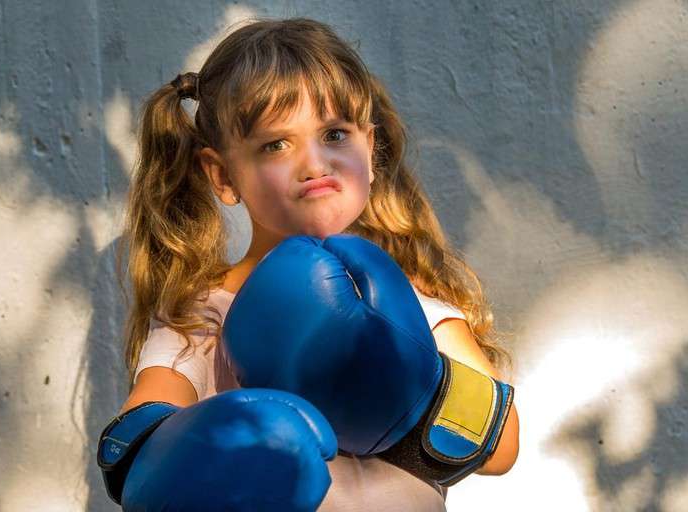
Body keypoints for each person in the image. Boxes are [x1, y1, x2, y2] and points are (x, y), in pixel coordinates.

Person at [107, 16, 520, 511]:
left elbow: (503, 445)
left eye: (335, 134)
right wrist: (209, 445)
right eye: (275, 144)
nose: (314, 163)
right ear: (222, 176)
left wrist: (415, 393)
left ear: (371, 148)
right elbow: (134, 446)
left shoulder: (411, 301)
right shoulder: (203, 313)